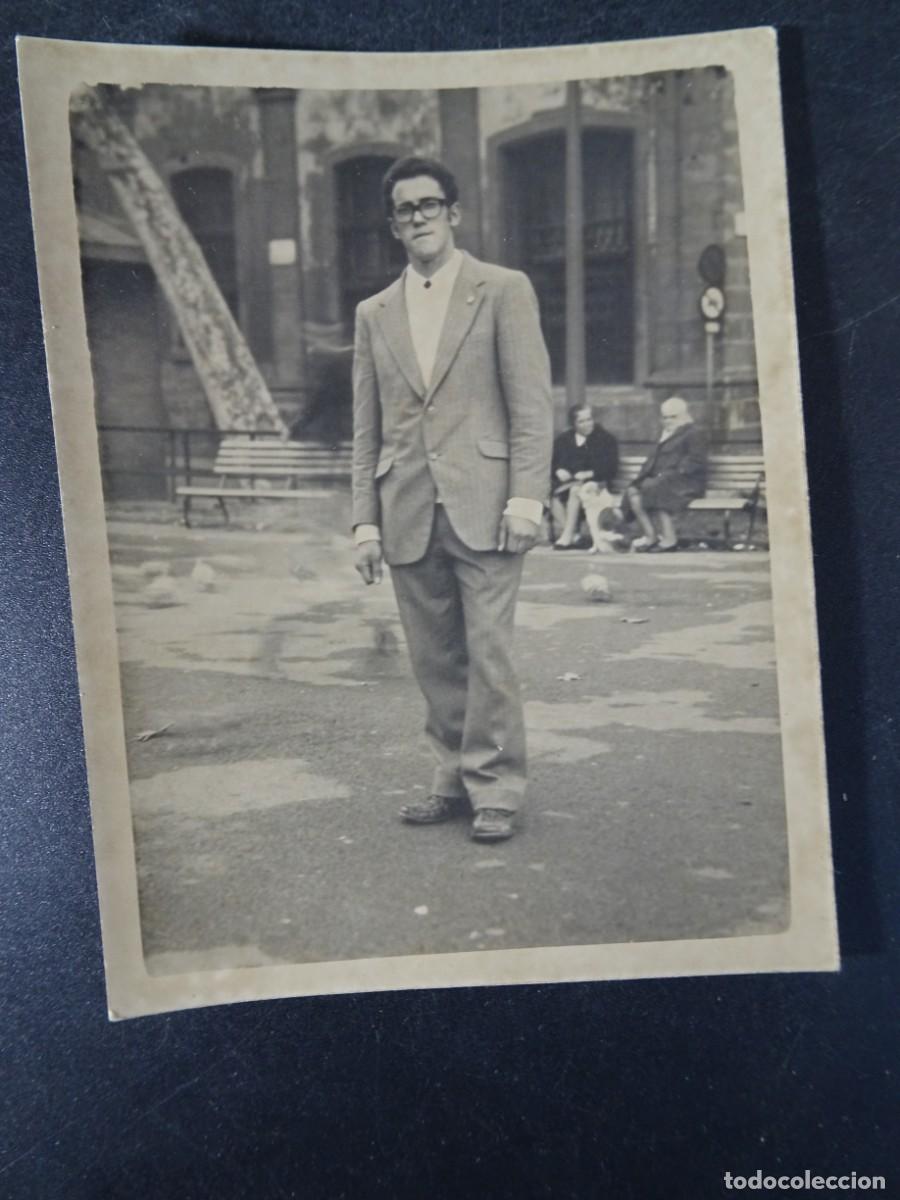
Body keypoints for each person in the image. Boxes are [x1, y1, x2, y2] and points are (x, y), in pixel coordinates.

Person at [351, 155, 553, 843]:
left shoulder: (503, 290)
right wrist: (363, 523)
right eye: (405, 210)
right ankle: (451, 777)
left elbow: (531, 407)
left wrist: (527, 499)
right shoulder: (374, 313)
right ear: (393, 226)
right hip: (406, 506)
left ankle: (495, 786)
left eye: (429, 205)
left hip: (487, 505)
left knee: (488, 652)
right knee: (433, 656)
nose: (418, 218)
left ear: (453, 213)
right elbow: (366, 428)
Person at [623, 396, 707, 552]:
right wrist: (644, 476)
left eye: (673, 417)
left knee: (656, 487)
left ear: (684, 415)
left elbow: (696, 460)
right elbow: (652, 461)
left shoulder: (693, 433)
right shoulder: (665, 434)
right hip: (665, 480)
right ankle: (651, 536)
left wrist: (673, 472)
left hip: (688, 482)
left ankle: (670, 540)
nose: (668, 421)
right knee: (634, 491)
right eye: (665, 417)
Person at [550, 405, 619, 549]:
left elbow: (611, 468)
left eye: (589, 419)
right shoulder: (564, 440)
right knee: (549, 495)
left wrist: (590, 473)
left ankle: (567, 536)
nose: (587, 424)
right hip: (569, 485)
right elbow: (552, 463)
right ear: (573, 424)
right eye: (581, 421)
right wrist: (558, 470)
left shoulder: (605, 439)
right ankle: (574, 535)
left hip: (597, 484)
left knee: (575, 491)